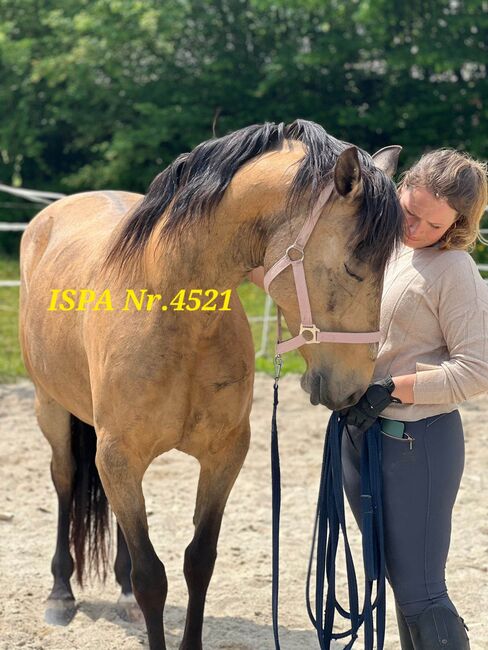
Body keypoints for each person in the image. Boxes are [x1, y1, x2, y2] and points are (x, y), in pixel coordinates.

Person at [249, 148, 488, 649]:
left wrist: (389, 390)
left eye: (434, 223)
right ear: (398, 190)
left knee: (422, 590)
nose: (417, 228)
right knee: (398, 581)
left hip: (416, 442)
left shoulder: (455, 271)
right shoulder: (381, 249)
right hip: (359, 435)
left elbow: (477, 370)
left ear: (458, 224)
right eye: (410, 211)